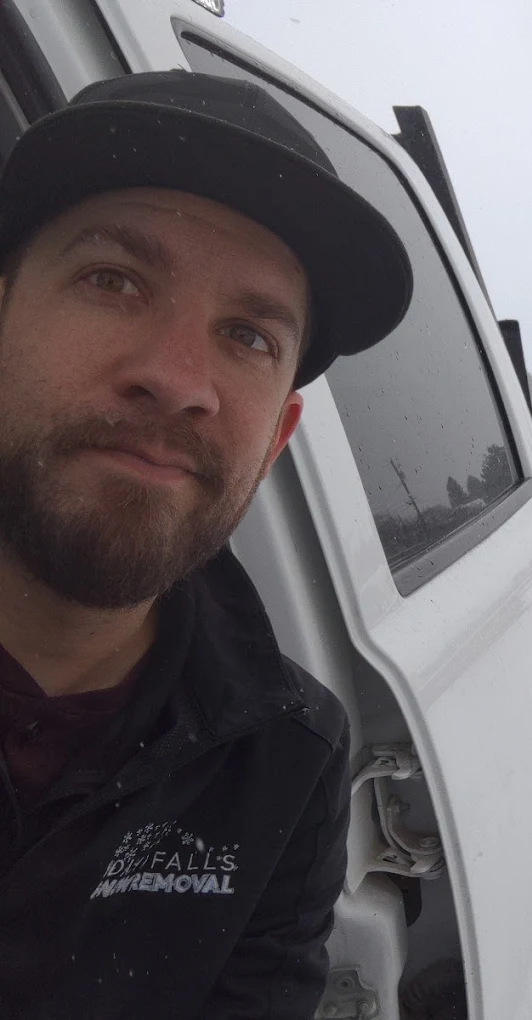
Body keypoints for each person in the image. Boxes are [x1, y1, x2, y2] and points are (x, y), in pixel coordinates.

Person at [0, 71, 412, 1018]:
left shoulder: (283, 758)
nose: (179, 380)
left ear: (274, 441)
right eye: (113, 280)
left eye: (248, 335)